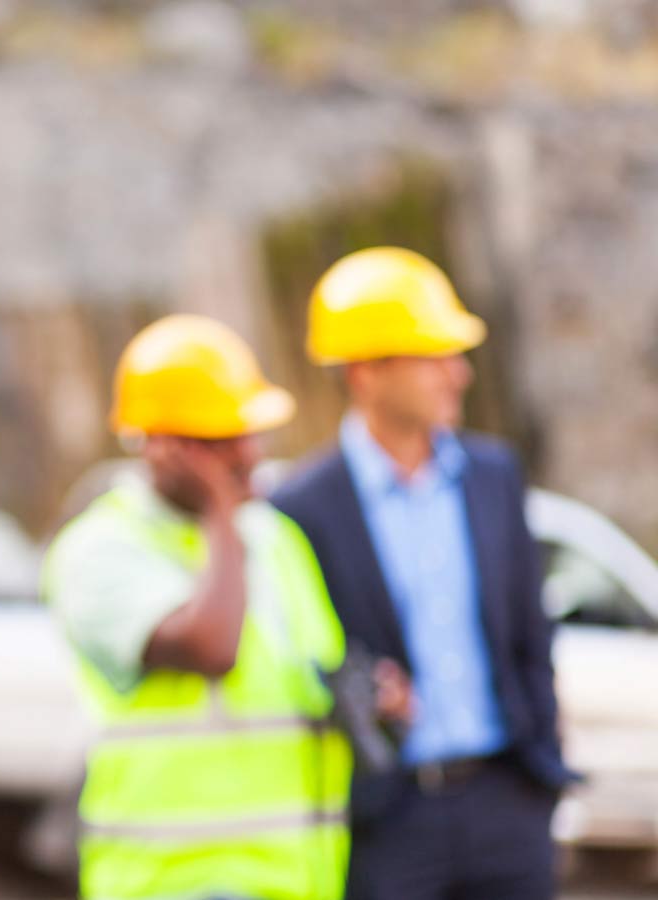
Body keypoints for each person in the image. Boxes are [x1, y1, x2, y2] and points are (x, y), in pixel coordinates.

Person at [271, 246, 575, 900]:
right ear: (367, 373)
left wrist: (539, 773)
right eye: (434, 356)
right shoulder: (301, 509)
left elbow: (530, 634)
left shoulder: (494, 476)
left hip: (508, 801)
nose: (458, 375)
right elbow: (297, 658)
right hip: (389, 820)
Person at [44, 314, 382, 900]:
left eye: (250, 432)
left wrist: (373, 697)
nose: (250, 452)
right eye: (222, 440)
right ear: (161, 446)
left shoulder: (274, 539)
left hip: (296, 876)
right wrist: (220, 511)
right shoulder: (99, 548)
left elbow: (310, 676)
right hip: (178, 879)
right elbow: (211, 647)